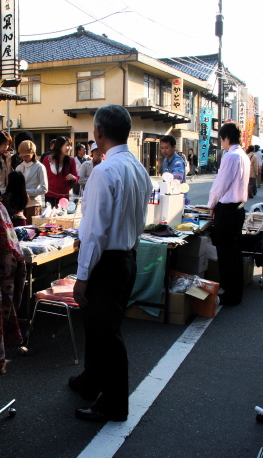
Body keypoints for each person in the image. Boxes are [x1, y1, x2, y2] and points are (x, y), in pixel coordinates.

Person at [71, 104, 151, 423]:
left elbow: (94, 231)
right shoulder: (137, 168)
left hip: (108, 262)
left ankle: (115, 403)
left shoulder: (105, 170)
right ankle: (91, 381)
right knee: (99, 326)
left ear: (99, 132)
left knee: (107, 333)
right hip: (126, 257)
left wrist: (82, 275)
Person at [207, 122, 249, 307]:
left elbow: (220, 185)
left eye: (221, 140)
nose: (221, 143)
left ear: (226, 138)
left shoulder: (230, 156)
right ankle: (235, 292)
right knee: (234, 252)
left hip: (228, 209)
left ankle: (230, 293)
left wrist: (211, 204)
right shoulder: (243, 156)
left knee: (226, 254)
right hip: (238, 208)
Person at [15, 139, 48, 221]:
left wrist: (26, 192)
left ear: (33, 153)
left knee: (32, 230)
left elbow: (44, 188)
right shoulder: (19, 167)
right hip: (20, 206)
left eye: (27, 155)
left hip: (34, 205)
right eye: (22, 155)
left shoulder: (40, 167)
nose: (24, 158)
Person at [42, 135, 78, 207]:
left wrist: (73, 177)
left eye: (70, 146)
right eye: (67, 145)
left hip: (64, 198)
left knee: (62, 217)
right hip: (49, 195)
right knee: (49, 217)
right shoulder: (47, 159)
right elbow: (42, 176)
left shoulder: (71, 161)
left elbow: (76, 177)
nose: (70, 148)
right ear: (60, 146)